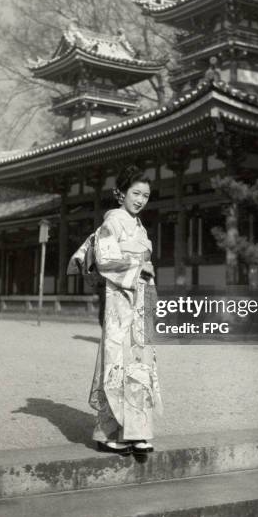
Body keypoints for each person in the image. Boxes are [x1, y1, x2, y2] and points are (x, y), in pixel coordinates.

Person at [89, 165, 163, 455]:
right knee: (117, 362)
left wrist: (148, 278)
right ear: (121, 193)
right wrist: (138, 269)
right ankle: (107, 432)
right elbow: (105, 260)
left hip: (140, 298)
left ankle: (138, 431)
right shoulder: (113, 222)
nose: (141, 199)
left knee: (141, 362)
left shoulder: (139, 225)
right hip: (120, 298)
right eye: (136, 193)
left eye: (146, 195)